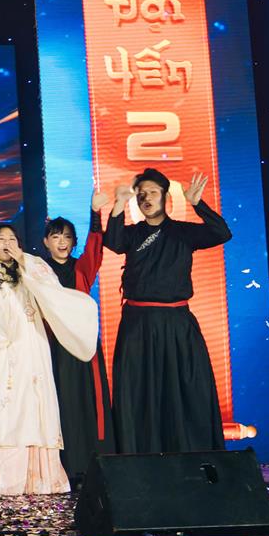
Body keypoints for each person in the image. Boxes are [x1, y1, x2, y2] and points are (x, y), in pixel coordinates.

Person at [0, 181, 99, 496]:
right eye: (0, 239)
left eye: (12, 239)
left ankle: (38, 475)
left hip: (31, 343)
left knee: (33, 404)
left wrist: (22, 259)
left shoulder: (33, 266)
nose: (6, 243)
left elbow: (53, 294)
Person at [103, 168, 232, 454]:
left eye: (152, 192)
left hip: (177, 323)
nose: (146, 198)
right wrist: (119, 205)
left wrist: (198, 204)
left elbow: (222, 233)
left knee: (186, 389)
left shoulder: (182, 232)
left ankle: (188, 454)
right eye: (141, 194)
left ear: (164, 196)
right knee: (138, 390)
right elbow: (112, 242)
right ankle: (139, 455)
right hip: (138, 324)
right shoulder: (133, 234)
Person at [42, 205, 114, 482]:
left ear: (74, 242)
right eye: (56, 236)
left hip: (83, 344)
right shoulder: (40, 271)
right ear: (46, 242)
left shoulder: (81, 269)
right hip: (54, 345)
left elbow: (96, 248)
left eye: (67, 237)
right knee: (62, 401)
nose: (62, 242)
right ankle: (66, 465)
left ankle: (95, 463)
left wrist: (95, 213)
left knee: (89, 401)